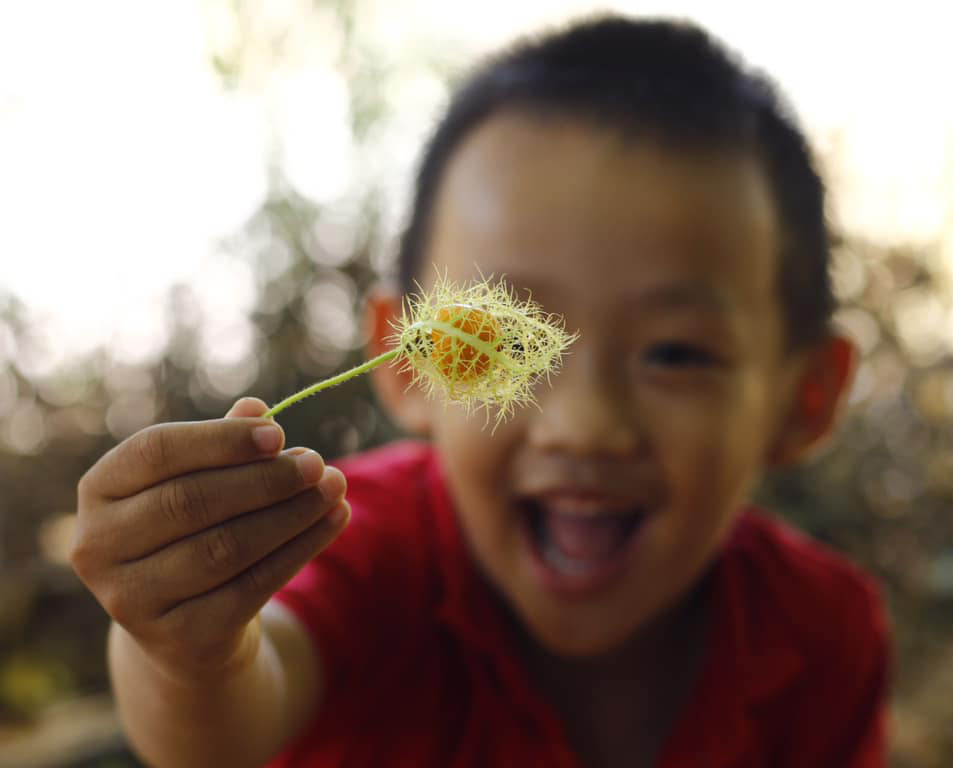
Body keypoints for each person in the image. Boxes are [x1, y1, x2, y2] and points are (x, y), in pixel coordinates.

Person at [70, 16, 890, 768]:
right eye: (499, 343)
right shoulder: (356, 540)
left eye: (675, 353)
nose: (587, 426)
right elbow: (230, 716)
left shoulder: (824, 635)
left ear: (805, 398)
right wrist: (186, 651)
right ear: (404, 359)